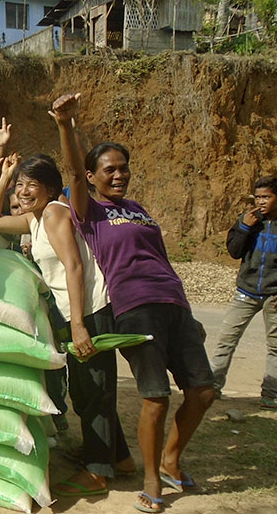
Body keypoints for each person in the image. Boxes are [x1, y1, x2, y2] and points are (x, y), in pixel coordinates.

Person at [52, 93, 215, 513]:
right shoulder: (89, 211)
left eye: (123, 168)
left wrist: (189, 313)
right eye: (110, 170)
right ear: (92, 177)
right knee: (156, 397)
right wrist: (66, 125)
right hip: (134, 306)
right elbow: (72, 167)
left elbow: (161, 259)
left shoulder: (139, 210)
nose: (119, 175)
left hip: (173, 302)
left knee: (202, 392)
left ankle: (171, 460)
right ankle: (151, 479)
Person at [0, 153, 134, 496]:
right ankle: (120, 457)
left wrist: (78, 325)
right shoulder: (35, 220)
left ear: (49, 188)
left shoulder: (53, 212)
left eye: (31, 185)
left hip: (90, 312)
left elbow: (75, 266)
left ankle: (97, 472)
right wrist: (3, 176)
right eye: (20, 185)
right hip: (75, 312)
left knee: (92, 390)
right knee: (88, 388)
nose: (22, 192)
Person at [210, 176, 277, 410]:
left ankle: (269, 396)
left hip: (275, 296)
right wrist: (245, 228)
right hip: (245, 292)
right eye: (257, 197)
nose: (261, 202)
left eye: (266, 197)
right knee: (226, 340)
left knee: (275, 347)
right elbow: (234, 252)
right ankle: (212, 389)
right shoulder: (248, 220)